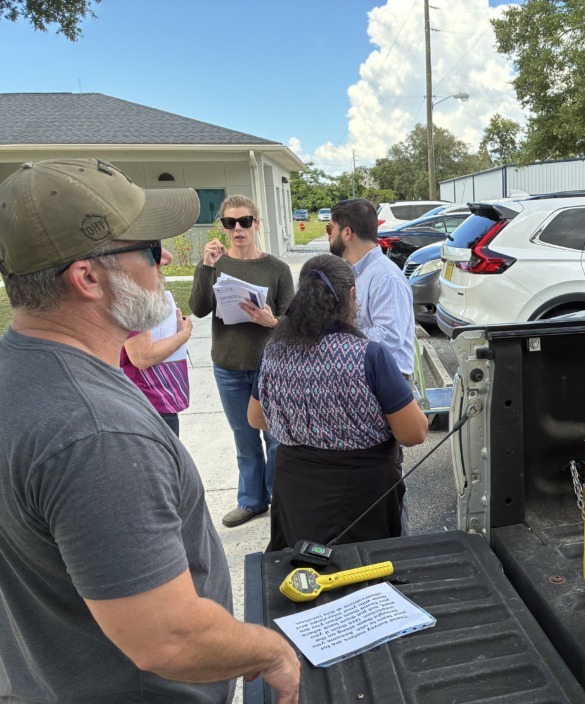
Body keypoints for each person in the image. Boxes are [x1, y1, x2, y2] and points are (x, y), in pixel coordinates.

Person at [0, 158, 299, 704]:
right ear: (87, 276)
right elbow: (167, 635)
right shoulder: (95, 433)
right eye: (152, 250)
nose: (165, 264)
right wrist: (269, 652)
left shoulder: (19, 373)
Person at [247, 254, 428, 551]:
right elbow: (414, 433)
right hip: (363, 494)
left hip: (297, 489)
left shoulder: (274, 351)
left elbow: (256, 418)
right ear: (351, 295)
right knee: (364, 578)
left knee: (305, 571)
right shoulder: (369, 355)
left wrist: (306, 424)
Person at [189, 195, 295, 528]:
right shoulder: (215, 265)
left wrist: (272, 322)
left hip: (270, 367)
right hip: (228, 365)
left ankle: (281, 500)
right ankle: (251, 501)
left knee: (276, 438)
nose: (237, 229)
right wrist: (206, 267)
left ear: (256, 224)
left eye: (245, 221)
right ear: (223, 226)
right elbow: (198, 308)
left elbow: (293, 319)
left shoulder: (276, 268)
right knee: (244, 437)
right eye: (229, 223)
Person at [327, 198, 416, 379]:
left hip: (386, 381)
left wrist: (337, 334)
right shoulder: (355, 270)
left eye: (330, 228)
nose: (328, 235)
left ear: (347, 233)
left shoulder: (386, 277)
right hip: (368, 375)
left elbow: (389, 337)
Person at [120, 286, 192, 436]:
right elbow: (142, 357)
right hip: (149, 399)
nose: (168, 261)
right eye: (156, 261)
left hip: (154, 396)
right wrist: (182, 335)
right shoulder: (134, 296)